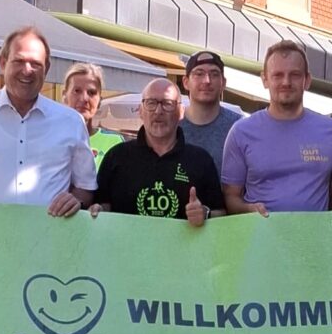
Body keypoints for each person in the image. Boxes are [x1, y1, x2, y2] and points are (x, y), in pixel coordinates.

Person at [0, 26, 96, 215]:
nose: (27, 70)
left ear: (46, 68)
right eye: (19, 61)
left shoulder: (71, 122)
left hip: (50, 231)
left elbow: (86, 185)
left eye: (36, 64)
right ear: (2, 62)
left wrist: (76, 200)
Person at [222, 40, 332, 215]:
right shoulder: (241, 132)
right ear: (265, 80)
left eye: (294, 75)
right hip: (262, 231)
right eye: (278, 75)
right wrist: (248, 209)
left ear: (307, 80)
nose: (286, 82)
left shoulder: (331, 130)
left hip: (316, 232)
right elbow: (230, 197)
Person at [91, 78, 224, 227]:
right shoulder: (116, 156)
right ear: (140, 111)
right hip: (127, 242)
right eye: (151, 103)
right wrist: (98, 210)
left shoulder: (200, 160)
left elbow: (221, 213)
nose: (158, 111)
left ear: (181, 112)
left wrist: (205, 214)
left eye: (167, 104)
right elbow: (101, 205)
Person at [179, 50, 241, 176]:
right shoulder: (172, 125)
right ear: (186, 82)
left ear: (223, 83)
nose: (207, 80)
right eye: (199, 74)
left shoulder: (239, 128)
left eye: (214, 74)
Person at [61, 62, 124, 171]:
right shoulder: (50, 138)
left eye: (91, 92)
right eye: (77, 91)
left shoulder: (114, 142)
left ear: (99, 101)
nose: (84, 98)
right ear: (65, 96)